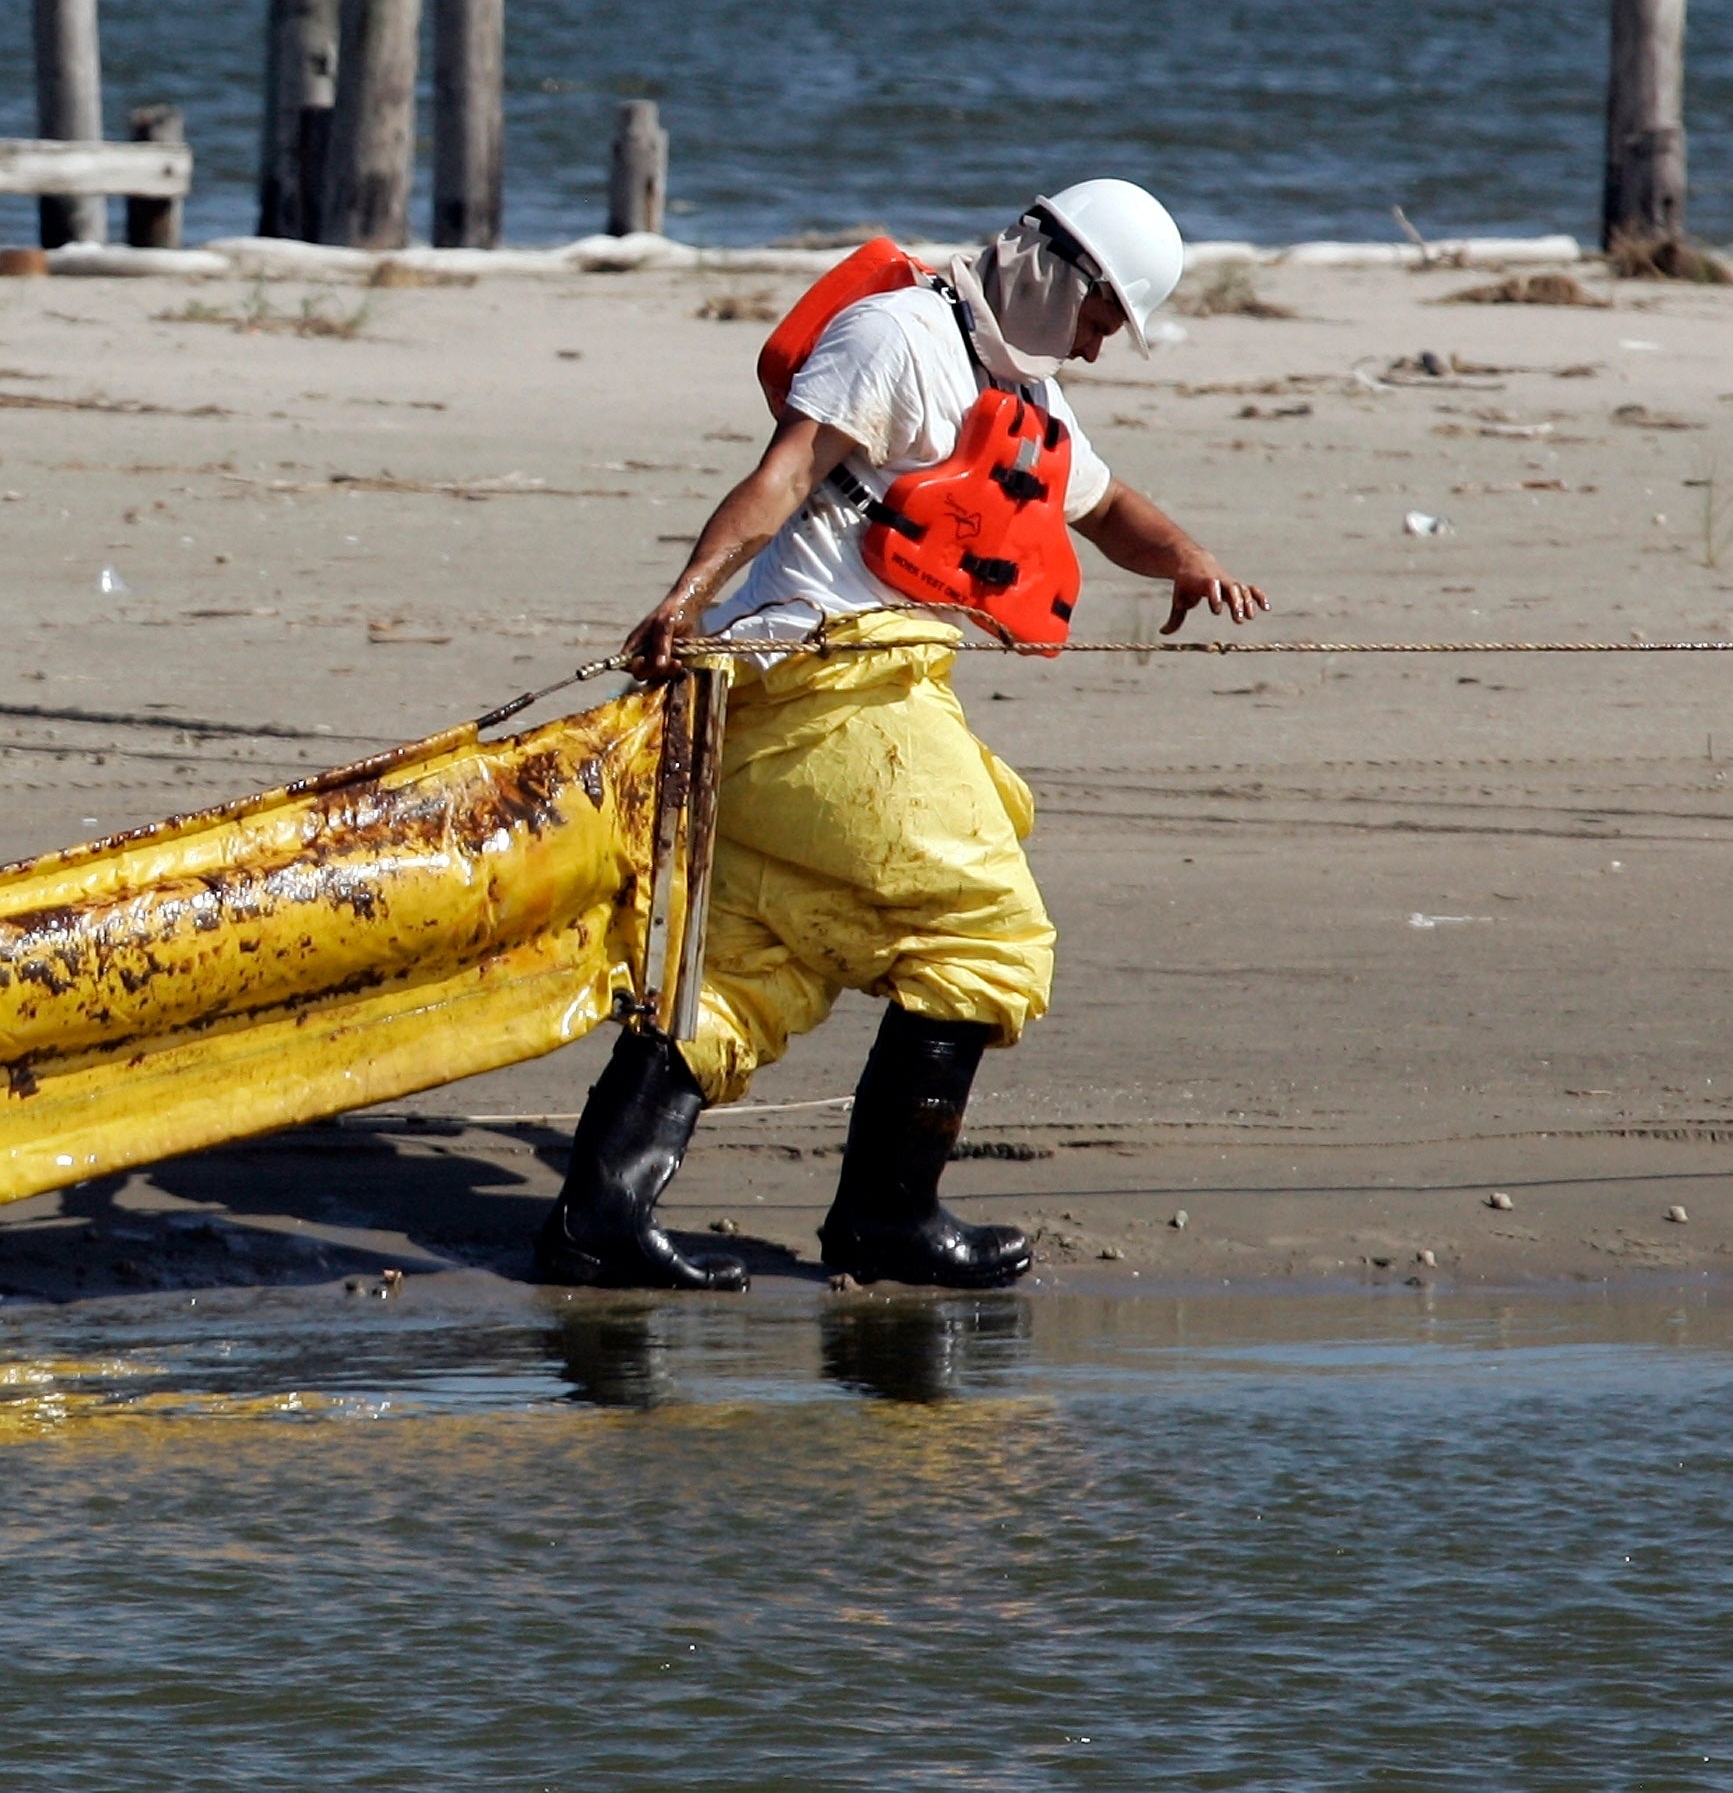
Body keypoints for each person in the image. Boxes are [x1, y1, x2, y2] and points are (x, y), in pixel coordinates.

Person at [537, 180, 1267, 1292]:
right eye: (1101, 318)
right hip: (822, 681)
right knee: (989, 932)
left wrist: (1191, 562)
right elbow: (785, 473)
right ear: (1060, 273)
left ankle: (597, 1217)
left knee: (752, 959)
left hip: (838, 697)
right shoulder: (895, 336)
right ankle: (887, 1216)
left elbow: (1107, 506)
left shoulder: (1024, 393)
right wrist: (685, 598)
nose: (1096, 347)